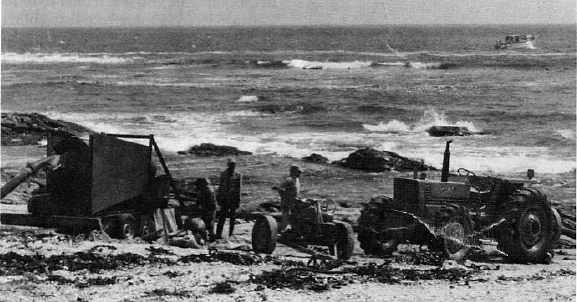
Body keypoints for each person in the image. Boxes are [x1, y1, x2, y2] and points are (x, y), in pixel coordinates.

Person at [216, 158, 242, 239]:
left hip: (233, 198)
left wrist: (238, 199)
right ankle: (218, 234)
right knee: (222, 217)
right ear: (228, 165)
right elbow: (220, 186)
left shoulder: (238, 174)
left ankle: (231, 234)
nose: (233, 166)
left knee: (232, 217)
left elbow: (239, 187)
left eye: (234, 165)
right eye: (231, 165)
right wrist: (219, 197)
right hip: (225, 198)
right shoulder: (224, 173)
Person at [272, 165, 302, 231]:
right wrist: (285, 198)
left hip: (294, 203)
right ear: (294, 172)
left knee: (294, 220)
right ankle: (273, 231)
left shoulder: (296, 180)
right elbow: (280, 189)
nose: (300, 174)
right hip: (287, 203)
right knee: (285, 222)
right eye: (298, 172)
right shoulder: (289, 180)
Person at [195, 177, 217, 242]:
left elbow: (208, 201)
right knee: (204, 223)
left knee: (209, 224)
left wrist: (202, 207)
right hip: (206, 208)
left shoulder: (209, 190)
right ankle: (205, 237)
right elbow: (199, 199)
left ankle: (211, 237)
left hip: (210, 208)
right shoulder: (203, 190)